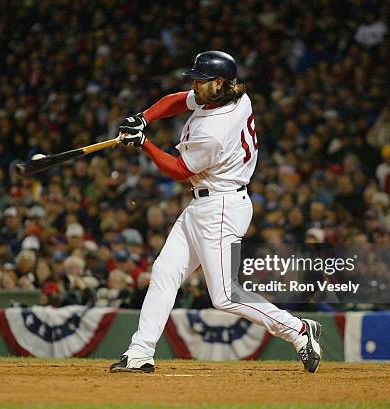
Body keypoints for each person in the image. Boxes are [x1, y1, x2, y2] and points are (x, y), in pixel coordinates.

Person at [110, 51, 322, 373]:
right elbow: (179, 100)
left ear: (219, 83)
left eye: (201, 80)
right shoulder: (235, 96)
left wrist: (145, 145)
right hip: (206, 203)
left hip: (221, 206)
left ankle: (298, 330)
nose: (195, 85)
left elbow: (180, 170)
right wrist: (145, 118)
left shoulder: (216, 129)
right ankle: (140, 352)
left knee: (224, 295)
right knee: (165, 272)